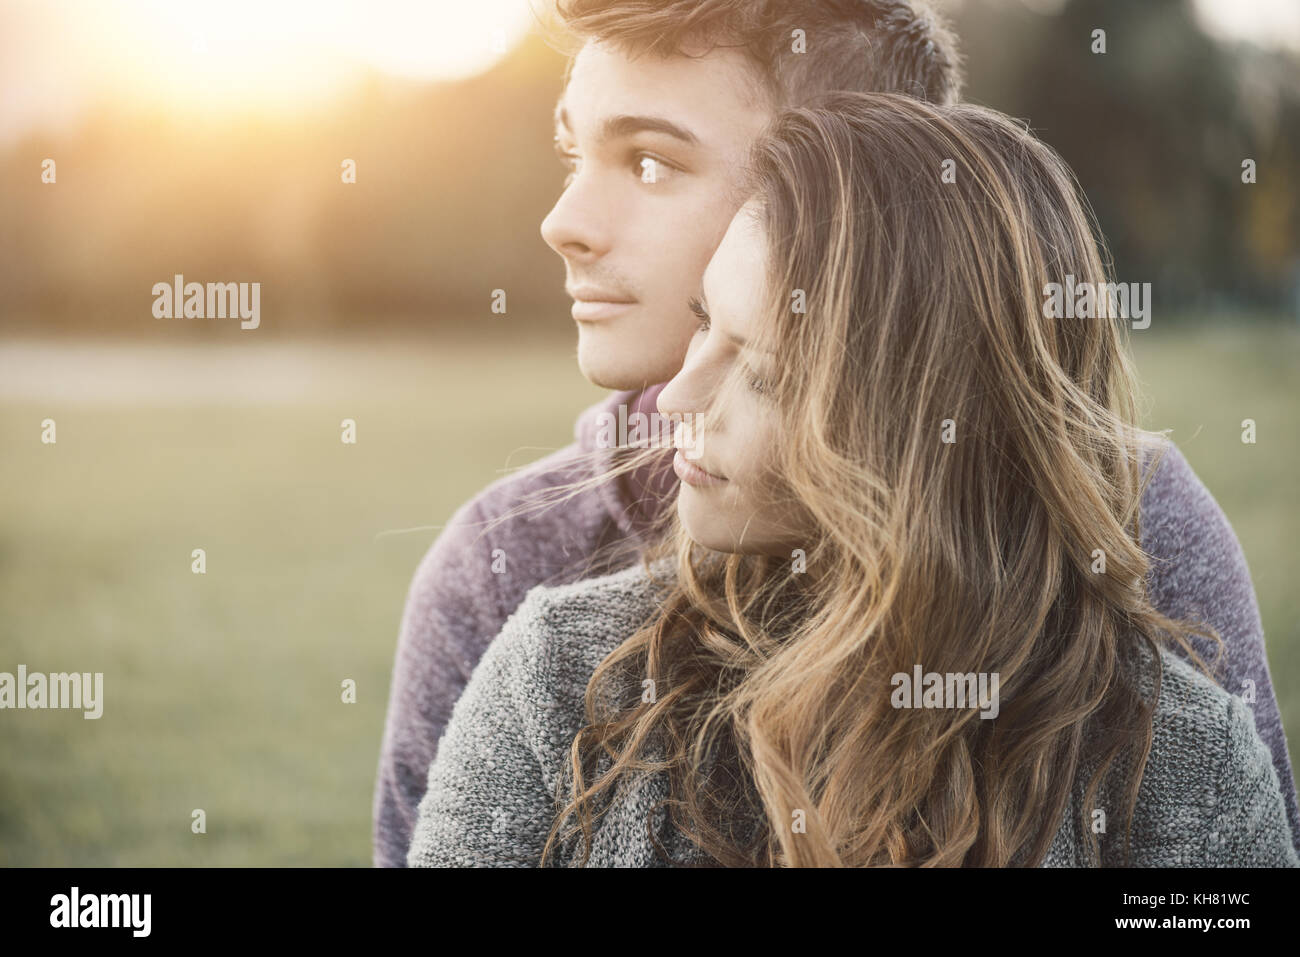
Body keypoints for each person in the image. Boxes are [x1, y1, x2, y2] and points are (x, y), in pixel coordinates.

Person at [373, 0, 1299, 866]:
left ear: (859, 174)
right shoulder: (508, 571)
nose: (561, 222)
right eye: (573, 154)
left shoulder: (1124, 528)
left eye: (651, 161)